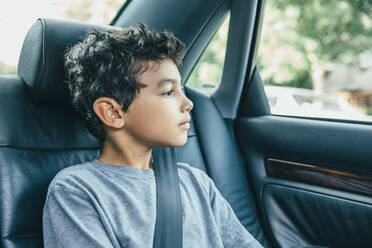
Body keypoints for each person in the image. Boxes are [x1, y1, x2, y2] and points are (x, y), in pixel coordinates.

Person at [42, 23, 263, 248]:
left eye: (182, 91)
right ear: (113, 112)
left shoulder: (196, 183)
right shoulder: (77, 191)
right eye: (168, 92)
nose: (188, 104)